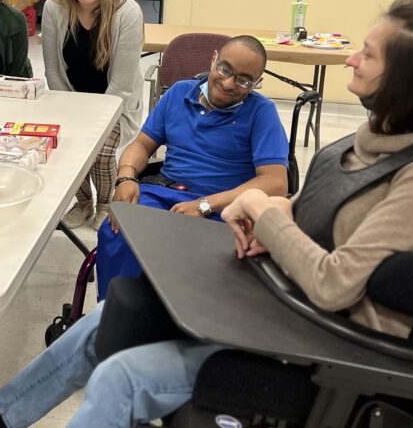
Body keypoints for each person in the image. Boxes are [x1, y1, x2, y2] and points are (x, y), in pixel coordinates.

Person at [0, 0, 413, 428]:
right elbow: (310, 217)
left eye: (367, 53)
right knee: (115, 313)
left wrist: (257, 210)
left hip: (318, 344)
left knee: (122, 377)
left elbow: (337, 283)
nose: (349, 60)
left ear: (407, 79)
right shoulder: (364, 147)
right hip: (272, 295)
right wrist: (269, 221)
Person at [96, 35, 289, 300]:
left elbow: (276, 182)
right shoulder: (178, 93)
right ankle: (113, 318)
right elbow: (141, 144)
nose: (229, 83)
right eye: (224, 69)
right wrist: (126, 177)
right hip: (166, 192)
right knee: (119, 232)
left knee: (188, 251)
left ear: (257, 84)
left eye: (244, 80)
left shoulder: (261, 112)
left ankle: (173, 322)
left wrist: (204, 205)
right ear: (213, 60)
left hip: (223, 209)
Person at [42, 0, 144, 231]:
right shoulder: (54, 6)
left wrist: (93, 120)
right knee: (63, 147)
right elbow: (52, 68)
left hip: (115, 103)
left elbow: (122, 85)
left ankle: (105, 203)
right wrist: (70, 109)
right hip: (71, 97)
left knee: (99, 151)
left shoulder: (127, 12)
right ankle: (84, 202)